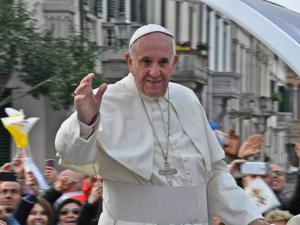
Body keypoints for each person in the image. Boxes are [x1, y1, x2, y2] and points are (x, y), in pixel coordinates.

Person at [55, 24, 269, 225]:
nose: (155, 72)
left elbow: (214, 174)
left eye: (163, 62)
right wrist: (85, 121)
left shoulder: (188, 99)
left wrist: (251, 219)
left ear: (174, 63)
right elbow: (72, 156)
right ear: (130, 61)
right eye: (146, 62)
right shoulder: (103, 100)